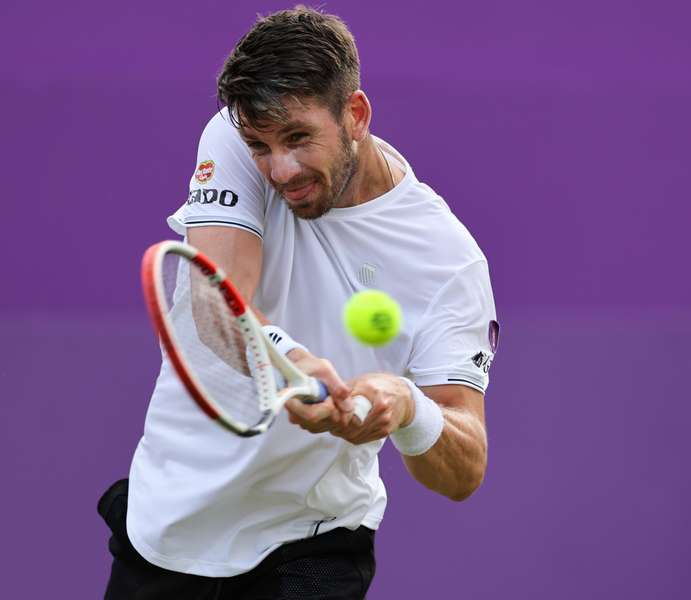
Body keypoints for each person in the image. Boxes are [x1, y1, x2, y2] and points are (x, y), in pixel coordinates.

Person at [98, 5, 498, 599]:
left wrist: (406, 405)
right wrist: (294, 363)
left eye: (299, 138)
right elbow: (217, 301)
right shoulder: (233, 135)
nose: (279, 168)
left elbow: (464, 470)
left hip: (312, 548)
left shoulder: (447, 261)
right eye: (261, 145)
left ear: (355, 114)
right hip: (169, 527)